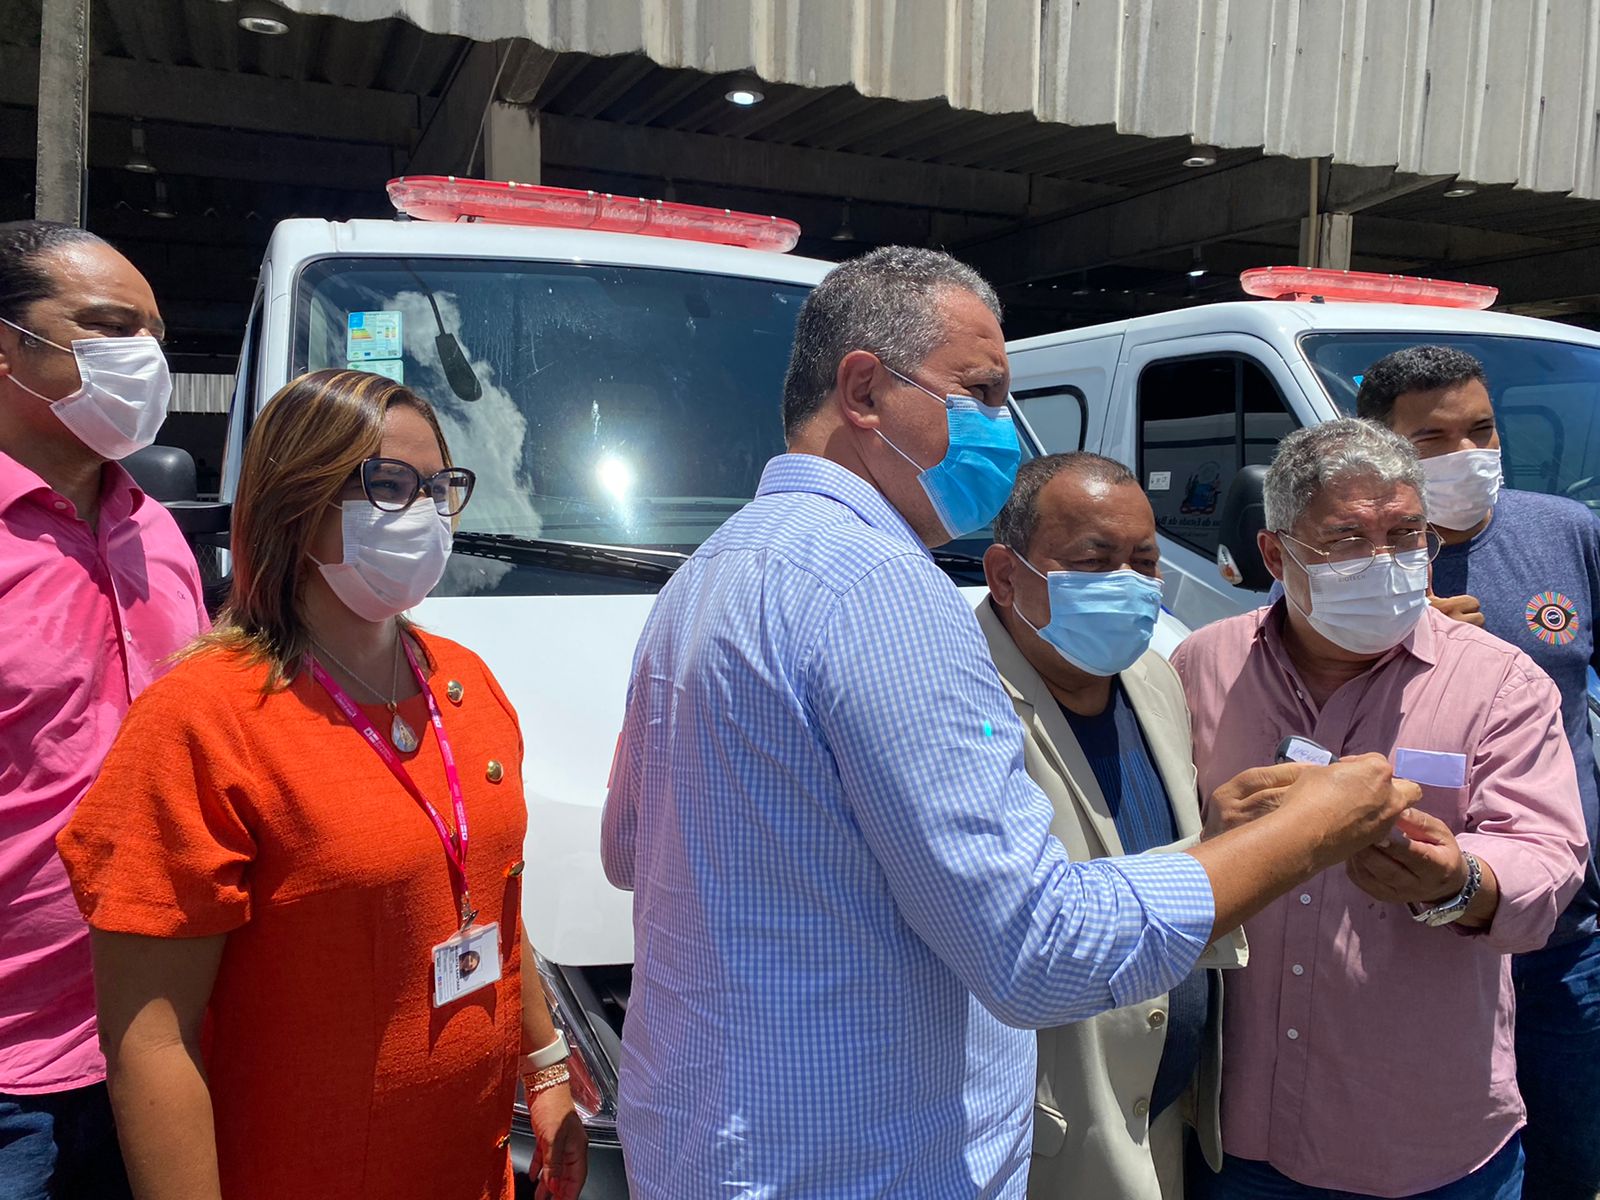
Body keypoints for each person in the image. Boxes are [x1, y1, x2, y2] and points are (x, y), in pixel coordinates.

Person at [600, 247, 1418, 1199]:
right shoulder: (881, 590)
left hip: (719, 1142)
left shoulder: (711, 572)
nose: (1004, 430)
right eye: (981, 392)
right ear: (863, 391)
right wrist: (1308, 831)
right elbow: (1037, 950)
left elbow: (629, 850)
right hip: (857, 1164)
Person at [55, 370, 587, 1200]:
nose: (425, 513)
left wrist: (546, 1067)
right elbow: (151, 1042)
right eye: (389, 485)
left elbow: (493, 903)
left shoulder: (467, 685)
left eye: (439, 487)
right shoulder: (201, 721)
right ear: (296, 499)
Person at [1172, 418, 1590, 1200]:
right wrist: (1213, 839)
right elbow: (1156, 837)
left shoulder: (1500, 682)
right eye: (1346, 540)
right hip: (1242, 1134)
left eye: (1405, 535)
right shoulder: (1203, 664)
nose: (1384, 562)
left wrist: (1459, 881)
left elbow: (1548, 853)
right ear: (1276, 555)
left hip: (1426, 1141)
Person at [1357, 345, 1600, 1200]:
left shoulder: (1565, 532)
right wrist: (1398, 637)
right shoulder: (1352, 565)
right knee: (1449, 1165)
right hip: (1419, 938)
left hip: (1567, 934)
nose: (1467, 454)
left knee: (1573, 1156)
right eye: (1432, 440)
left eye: (1482, 430)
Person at [0, 219, 207, 1199]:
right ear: (7, 347)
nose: (145, 359)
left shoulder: (157, 532)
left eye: (154, 334)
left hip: (162, 1037)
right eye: (111, 327)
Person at [979, 452, 1247, 1200]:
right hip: (1054, 1140)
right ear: (1005, 576)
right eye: (1095, 562)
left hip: (1164, 1121)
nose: (1128, 584)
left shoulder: (1154, 676)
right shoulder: (962, 695)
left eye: (1145, 562)